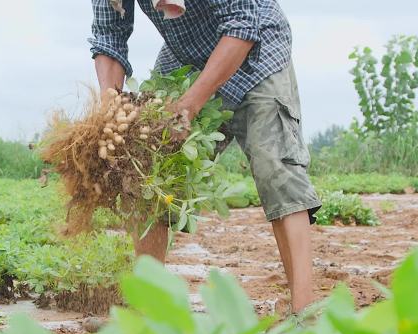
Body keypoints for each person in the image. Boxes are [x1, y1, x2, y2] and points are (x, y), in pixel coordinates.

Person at [89, 0, 321, 314]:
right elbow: (109, 36)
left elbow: (242, 23)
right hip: (187, 54)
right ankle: (148, 312)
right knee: (150, 170)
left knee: (275, 168)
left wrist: (191, 103)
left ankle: (304, 315)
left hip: (257, 50)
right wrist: (110, 107)